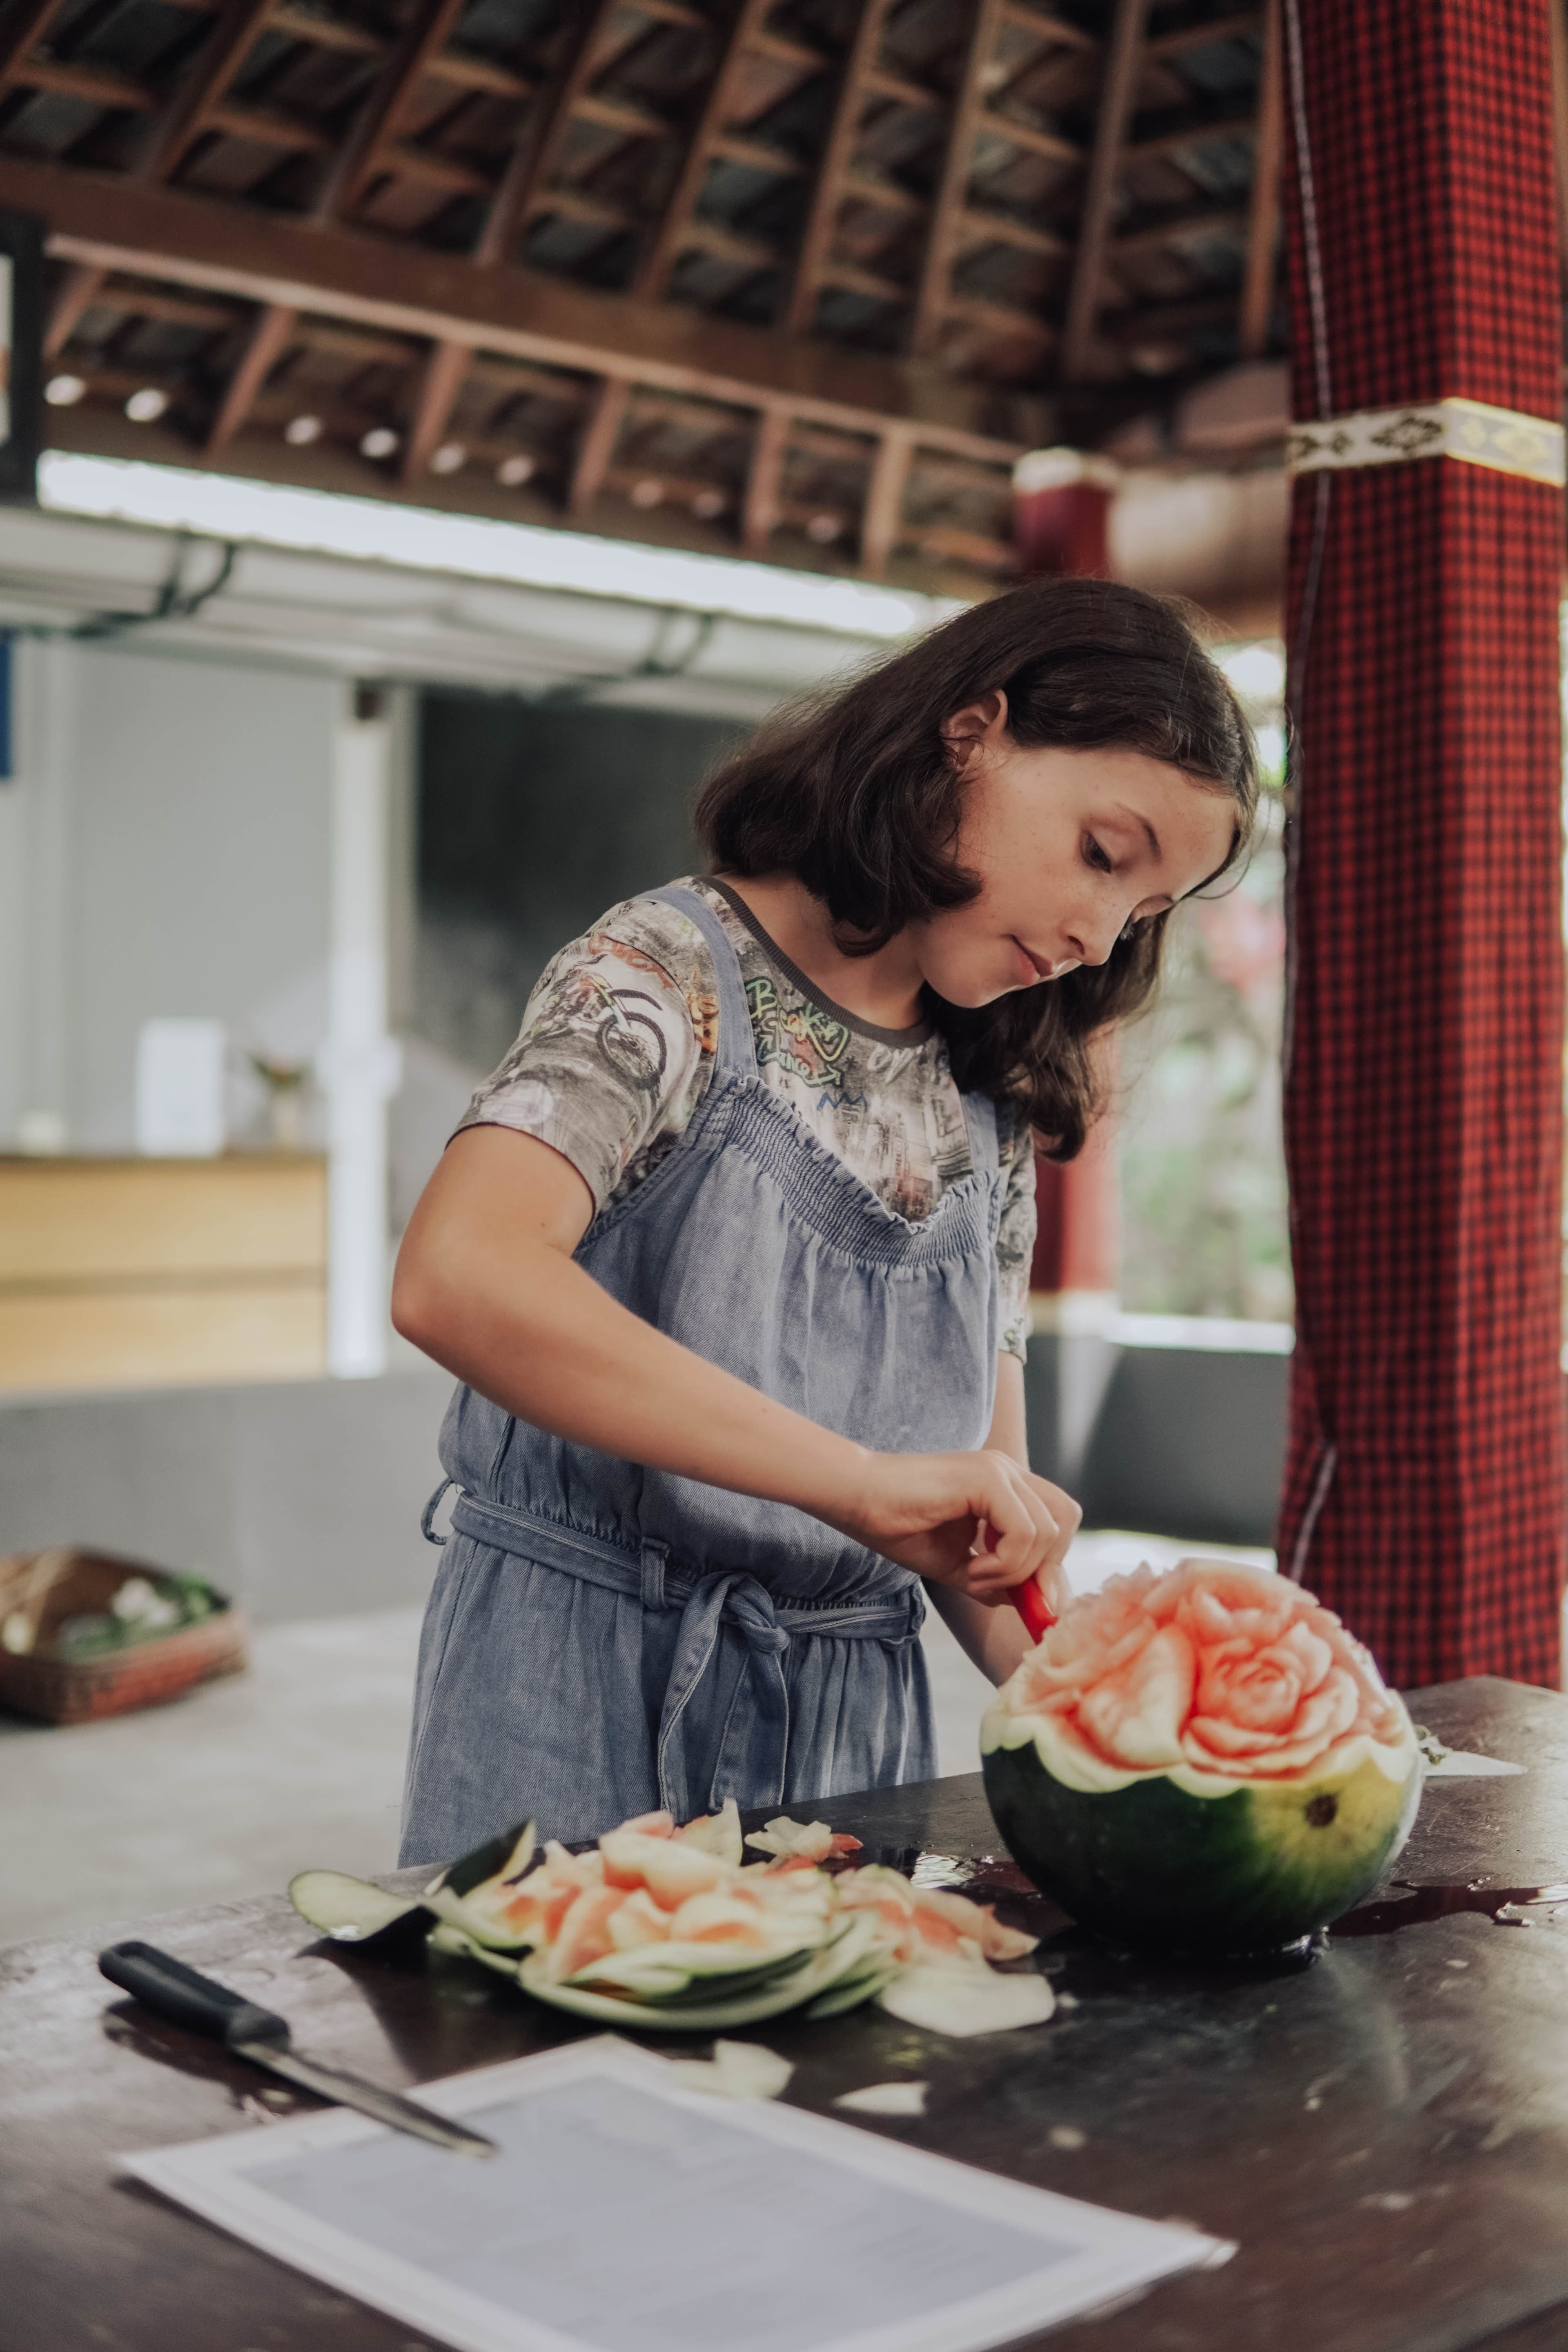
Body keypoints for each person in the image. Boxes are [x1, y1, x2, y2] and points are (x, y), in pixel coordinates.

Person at [392, 577, 1258, 1863]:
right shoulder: (664, 974)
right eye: (1099, 853)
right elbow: (458, 1276)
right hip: (577, 1682)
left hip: (855, 1739)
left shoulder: (992, 1097)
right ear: (973, 730)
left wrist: (1124, 1719)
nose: (1094, 933)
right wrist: (854, 1487)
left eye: (1141, 914)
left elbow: (977, 1527)